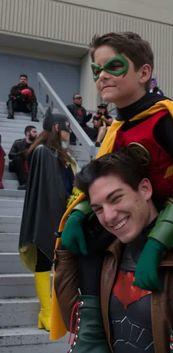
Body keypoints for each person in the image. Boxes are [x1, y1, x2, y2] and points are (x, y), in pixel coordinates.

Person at [51, 32, 173, 351]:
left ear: (144, 72)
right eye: (96, 70)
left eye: (114, 66)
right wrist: (79, 215)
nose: (102, 76)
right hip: (143, 209)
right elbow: (103, 181)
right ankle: (91, 329)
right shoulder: (119, 128)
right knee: (91, 239)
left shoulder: (166, 117)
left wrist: (154, 244)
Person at [54, 148, 173, 353]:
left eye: (116, 198)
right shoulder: (104, 255)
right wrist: (68, 249)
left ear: (145, 189)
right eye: (98, 208)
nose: (109, 216)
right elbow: (75, 325)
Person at [19, 108, 77, 332]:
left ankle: (52, 311)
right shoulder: (43, 152)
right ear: (56, 128)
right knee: (44, 260)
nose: (68, 134)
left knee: (56, 262)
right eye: (66, 130)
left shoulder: (61, 155)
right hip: (47, 214)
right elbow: (48, 190)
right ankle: (46, 312)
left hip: (61, 213)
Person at [8, 125, 37, 190]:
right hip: (17, 165)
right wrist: (21, 153)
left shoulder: (37, 144)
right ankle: (23, 183)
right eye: (34, 132)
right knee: (18, 158)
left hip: (30, 166)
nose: (36, 134)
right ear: (27, 133)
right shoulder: (18, 142)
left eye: (36, 132)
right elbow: (10, 155)